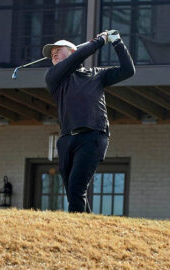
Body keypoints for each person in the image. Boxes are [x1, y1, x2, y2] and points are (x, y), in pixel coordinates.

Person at [43, 30, 135, 213]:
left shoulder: (96, 75)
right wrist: (101, 40)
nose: (53, 54)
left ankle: (74, 231)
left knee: (77, 188)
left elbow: (128, 70)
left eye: (57, 50)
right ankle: (88, 227)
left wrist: (116, 42)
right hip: (66, 139)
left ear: (72, 51)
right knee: (72, 192)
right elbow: (76, 59)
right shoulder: (54, 77)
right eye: (51, 54)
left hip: (93, 136)